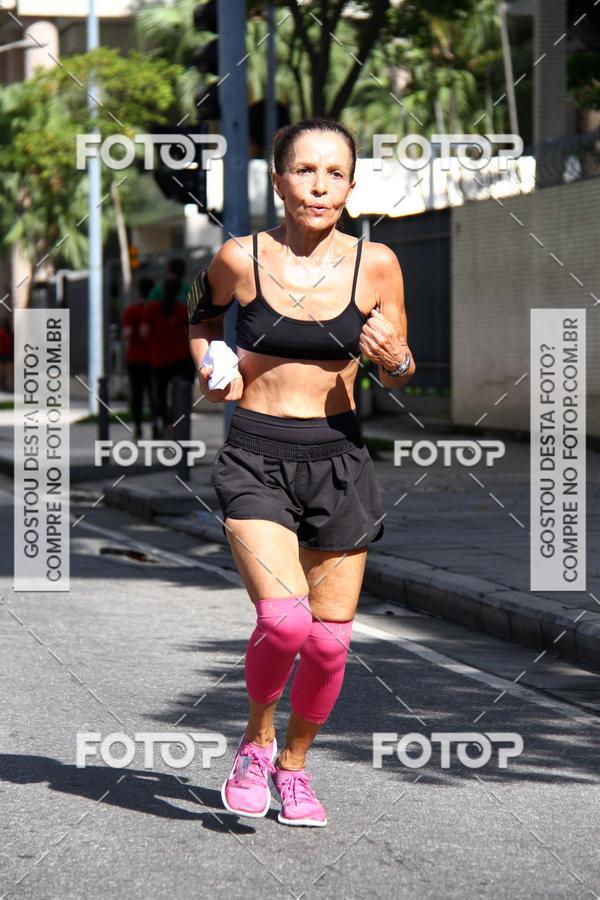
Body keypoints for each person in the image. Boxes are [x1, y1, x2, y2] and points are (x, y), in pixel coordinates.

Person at [188, 117, 416, 828]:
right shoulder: (238, 257)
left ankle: (294, 768)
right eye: (305, 171)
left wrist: (393, 360)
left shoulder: (375, 264)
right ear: (279, 179)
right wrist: (211, 363)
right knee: (283, 621)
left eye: (335, 173)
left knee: (328, 639)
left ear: (351, 185)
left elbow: (406, 370)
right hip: (255, 454)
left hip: (340, 459)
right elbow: (199, 318)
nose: (320, 186)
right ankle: (255, 744)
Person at [142, 275, 195, 438]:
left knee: (161, 396)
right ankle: (179, 424)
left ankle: (164, 424)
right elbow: (189, 333)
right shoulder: (181, 309)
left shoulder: (151, 309)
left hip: (159, 359)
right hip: (181, 358)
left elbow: (144, 332)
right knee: (182, 394)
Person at [122, 276, 155, 441]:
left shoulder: (131, 311)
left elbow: (127, 334)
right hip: (153, 358)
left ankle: (138, 428)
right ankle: (156, 425)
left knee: (137, 395)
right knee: (153, 393)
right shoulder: (156, 309)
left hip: (135, 358)